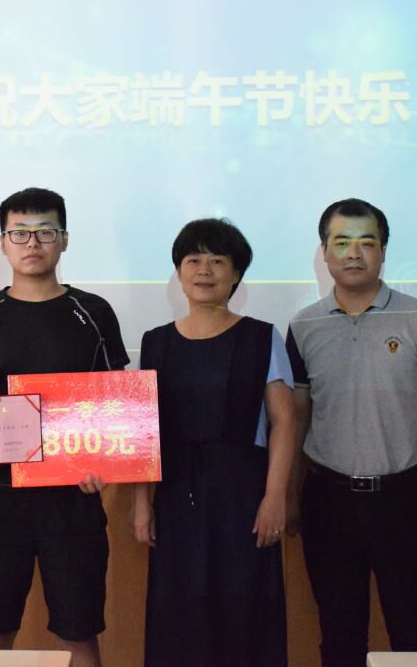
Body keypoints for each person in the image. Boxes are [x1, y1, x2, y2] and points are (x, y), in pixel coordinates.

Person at [0, 187, 129, 667]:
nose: (32, 243)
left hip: (73, 500)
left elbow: (117, 402)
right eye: (19, 233)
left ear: (64, 240)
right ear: (3, 243)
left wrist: (104, 464)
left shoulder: (94, 312)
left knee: (80, 633)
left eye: (45, 232)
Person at [285, 198, 417, 667]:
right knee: (339, 635)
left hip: (403, 499)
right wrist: (289, 495)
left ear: (383, 251)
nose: (354, 253)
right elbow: (297, 418)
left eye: (367, 242)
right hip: (328, 500)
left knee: (414, 632)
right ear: (324, 252)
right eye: (341, 242)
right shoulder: (304, 325)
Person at [133, 218, 294, 667]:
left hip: (243, 497)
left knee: (244, 611)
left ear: (236, 274)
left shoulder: (261, 337)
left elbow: (284, 420)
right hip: (175, 497)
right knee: (179, 615)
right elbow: (145, 430)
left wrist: (275, 497)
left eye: (218, 261)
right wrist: (142, 502)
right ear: (179, 272)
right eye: (193, 260)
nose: (205, 270)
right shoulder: (155, 343)